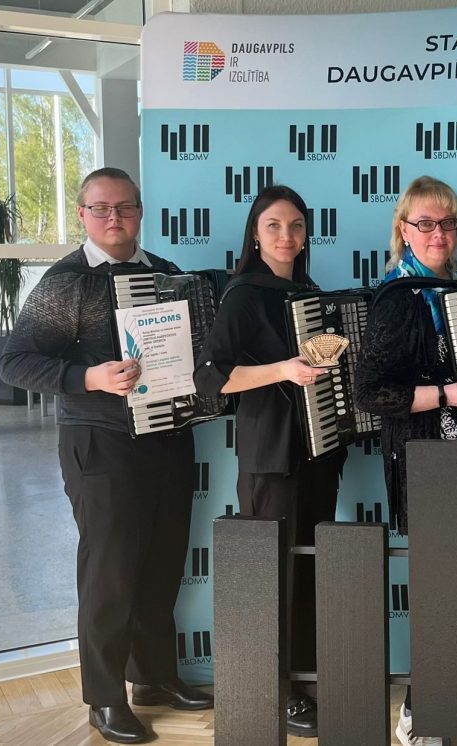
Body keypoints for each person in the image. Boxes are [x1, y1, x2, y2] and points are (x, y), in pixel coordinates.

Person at [0, 167, 214, 744]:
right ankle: (104, 698)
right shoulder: (66, 281)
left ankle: (155, 678)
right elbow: (15, 362)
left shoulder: (168, 273)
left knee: (162, 564)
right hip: (99, 442)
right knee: (110, 573)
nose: (113, 217)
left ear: (140, 211)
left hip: (168, 437)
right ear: (83, 215)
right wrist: (89, 377)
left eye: (124, 207)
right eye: (101, 208)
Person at [352, 175, 457, 746]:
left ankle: (452, 689)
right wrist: (446, 395)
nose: (438, 233)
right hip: (424, 457)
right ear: (404, 229)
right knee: (438, 583)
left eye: (448, 223)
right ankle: (418, 712)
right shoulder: (397, 298)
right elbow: (370, 393)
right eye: (425, 223)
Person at [193, 184, 344, 738]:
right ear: (255, 236)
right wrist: (283, 369)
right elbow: (209, 378)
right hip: (271, 455)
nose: (287, 235)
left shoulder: (310, 292)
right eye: (274, 225)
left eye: (297, 226)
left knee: (307, 569)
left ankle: (302, 684)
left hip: (318, 451)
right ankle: (273, 693)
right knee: (272, 576)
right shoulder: (244, 295)